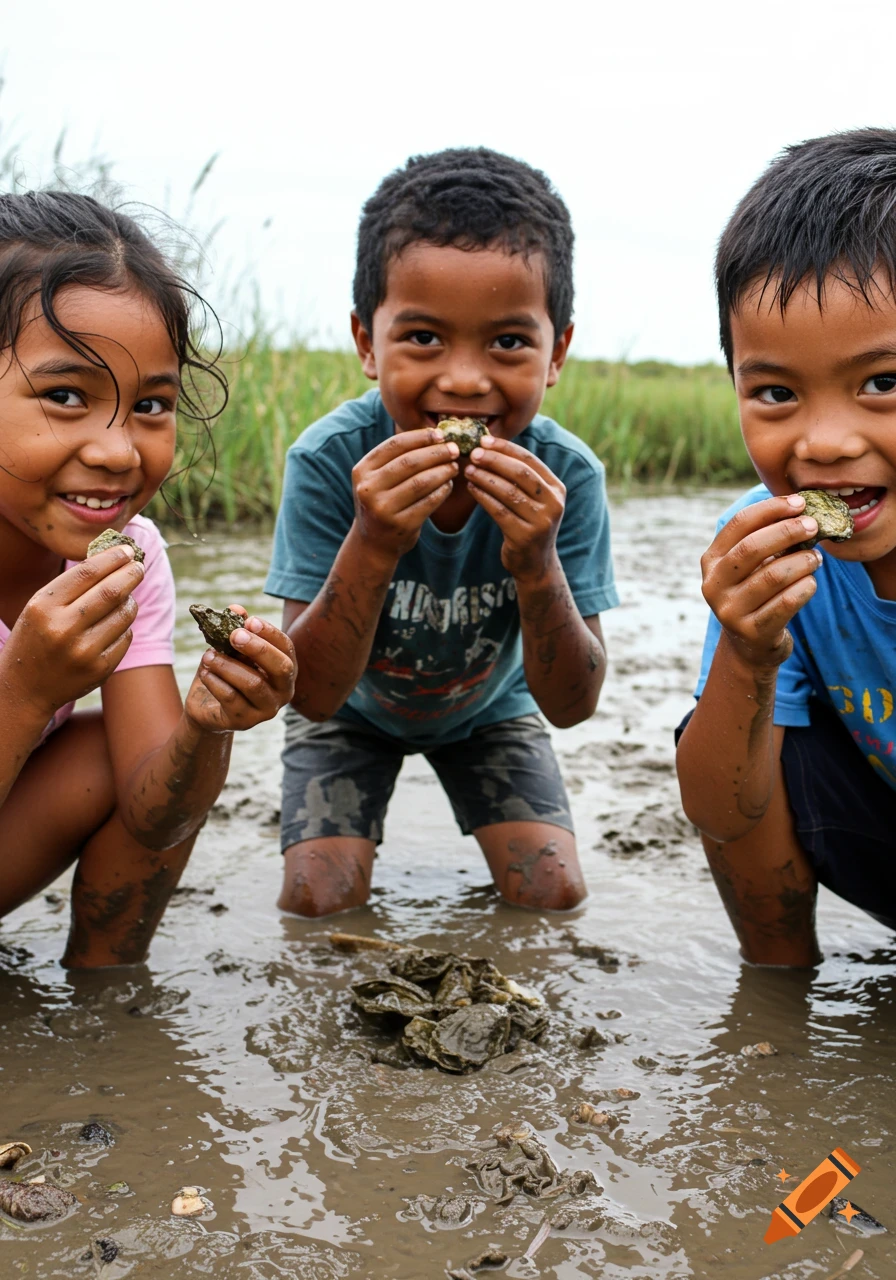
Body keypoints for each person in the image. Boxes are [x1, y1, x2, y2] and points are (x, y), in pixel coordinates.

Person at [266, 147, 618, 917]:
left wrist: (535, 562)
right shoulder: (330, 462)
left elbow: (573, 702)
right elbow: (315, 693)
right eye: (423, 338)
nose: (463, 380)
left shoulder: (566, 478)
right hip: (353, 713)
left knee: (552, 893)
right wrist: (374, 541)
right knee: (315, 898)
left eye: (508, 342)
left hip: (490, 710)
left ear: (555, 352)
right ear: (368, 343)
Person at [0, 191, 297, 968]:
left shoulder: (128, 555)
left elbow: (153, 810)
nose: (118, 451)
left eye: (152, 405)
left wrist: (208, 725)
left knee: (134, 752)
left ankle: (107, 1006)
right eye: (66, 396)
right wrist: (25, 694)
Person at [676, 128, 896, 966]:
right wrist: (747, 647)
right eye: (775, 393)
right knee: (742, 720)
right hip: (874, 837)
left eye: (883, 382)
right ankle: (778, 987)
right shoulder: (766, 542)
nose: (827, 442)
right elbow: (719, 808)